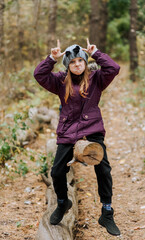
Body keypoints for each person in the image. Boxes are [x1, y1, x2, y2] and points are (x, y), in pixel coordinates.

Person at [34, 39, 121, 236]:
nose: (77, 65)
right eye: (72, 62)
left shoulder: (97, 78)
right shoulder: (59, 81)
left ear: (84, 61)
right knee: (57, 172)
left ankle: (107, 212)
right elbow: (39, 74)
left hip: (92, 129)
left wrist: (96, 53)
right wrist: (51, 59)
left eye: (80, 61)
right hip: (68, 131)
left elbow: (114, 68)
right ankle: (63, 202)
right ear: (68, 65)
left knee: (104, 169)